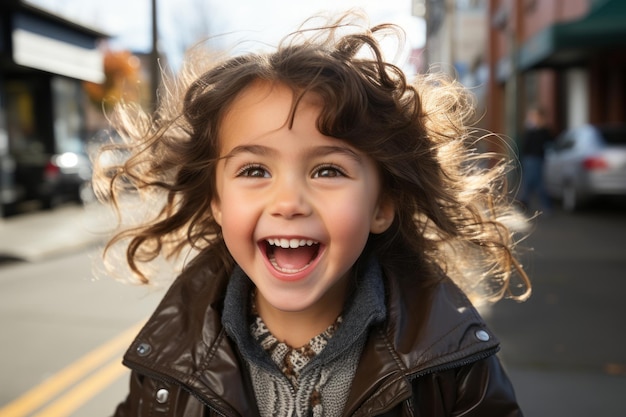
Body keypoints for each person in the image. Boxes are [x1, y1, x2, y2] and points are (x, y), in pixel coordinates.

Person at [95, 12, 531, 417]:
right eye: (254, 170)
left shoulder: (453, 368)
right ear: (219, 203)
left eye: (327, 170)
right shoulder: (167, 367)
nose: (288, 202)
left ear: (381, 206)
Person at [518, 106, 553, 213]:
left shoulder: (544, 131)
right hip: (528, 159)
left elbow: (548, 142)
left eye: (534, 116)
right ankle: (524, 204)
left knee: (537, 183)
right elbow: (526, 144)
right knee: (529, 182)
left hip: (537, 159)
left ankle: (546, 206)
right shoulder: (531, 130)